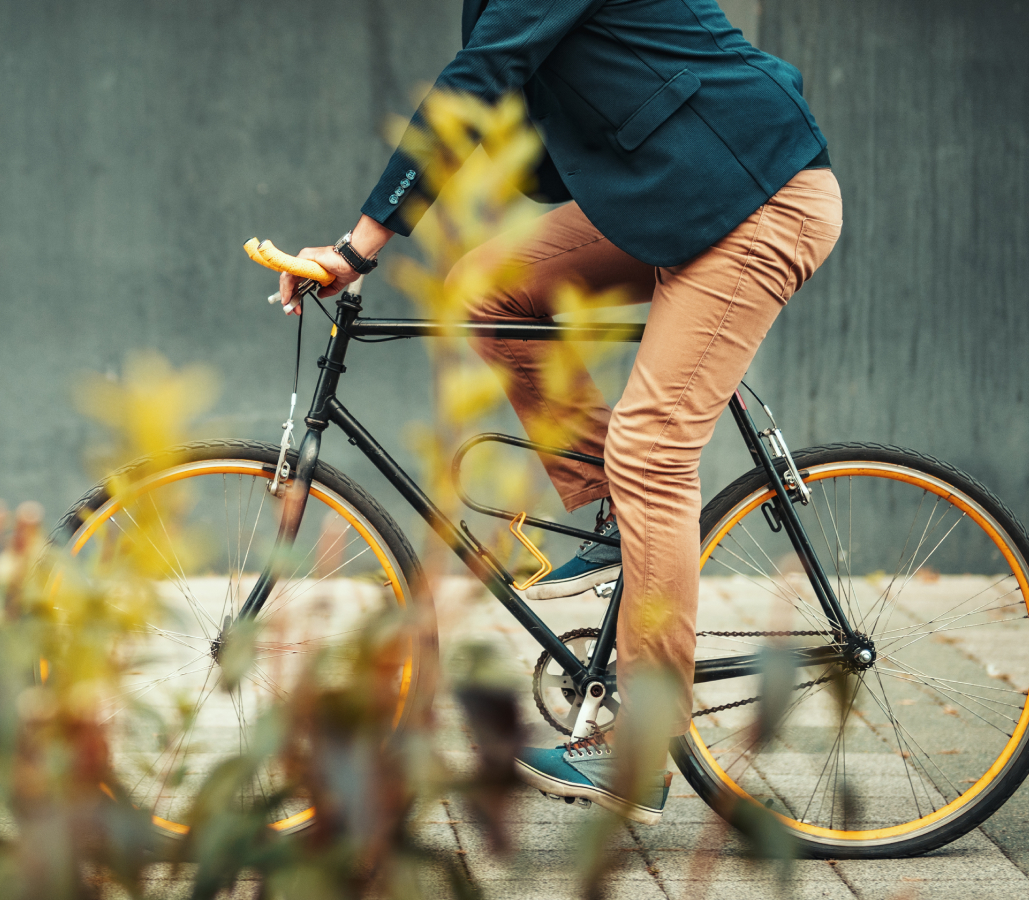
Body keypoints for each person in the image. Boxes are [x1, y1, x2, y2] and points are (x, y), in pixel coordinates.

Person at [277, 0, 842, 825]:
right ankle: (615, 515)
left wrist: (360, 247)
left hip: (758, 199)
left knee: (653, 451)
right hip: (679, 192)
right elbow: (516, 115)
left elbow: (473, 85)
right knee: (487, 291)